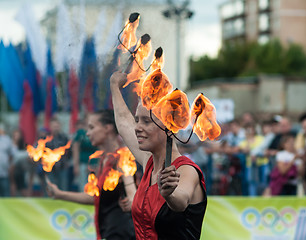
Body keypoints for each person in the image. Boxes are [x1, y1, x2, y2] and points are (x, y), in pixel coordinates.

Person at [110, 71, 207, 240]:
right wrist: (114, 86)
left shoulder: (186, 170)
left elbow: (181, 201)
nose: (137, 127)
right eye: (137, 120)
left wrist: (169, 194)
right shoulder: (149, 162)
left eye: (146, 121)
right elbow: (125, 123)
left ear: (169, 127)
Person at [47, 110, 137, 240]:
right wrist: (60, 194)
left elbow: (131, 190)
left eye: (92, 127)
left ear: (107, 128)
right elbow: (95, 198)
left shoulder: (122, 157)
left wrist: (132, 198)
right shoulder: (102, 160)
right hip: (108, 231)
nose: (87, 133)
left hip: (123, 232)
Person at [72, 119, 98, 191]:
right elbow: (75, 149)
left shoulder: (97, 132)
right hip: (83, 162)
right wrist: (76, 165)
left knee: (94, 185)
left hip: (95, 162)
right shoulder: (80, 133)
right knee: (83, 185)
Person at [0, 123, 16, 197]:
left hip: (4, 173)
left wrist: (9, 165)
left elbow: (11, 154)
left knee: (6, 196)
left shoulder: (6, 139)